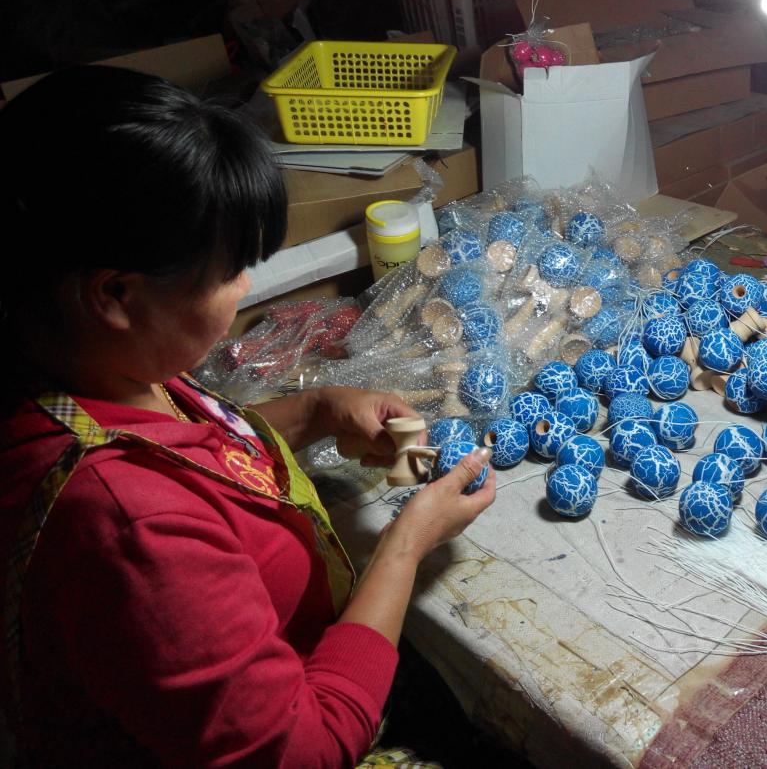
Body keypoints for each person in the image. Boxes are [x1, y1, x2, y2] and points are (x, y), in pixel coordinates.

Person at [0, 65, 496, 765]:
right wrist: (406, 546)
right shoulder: (126, 529)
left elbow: (187, 446)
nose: (244, 288)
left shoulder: (85, 364)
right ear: (114, 296)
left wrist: (315, 409)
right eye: (229, 271)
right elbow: (307, 750)